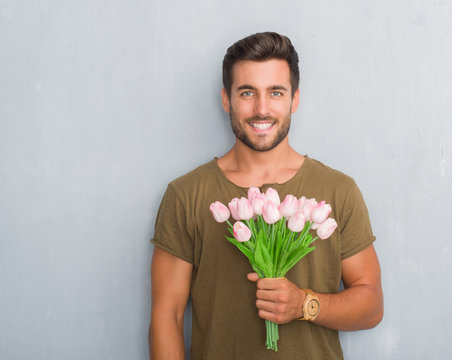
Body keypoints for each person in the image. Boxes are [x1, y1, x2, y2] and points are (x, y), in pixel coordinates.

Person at [149, 32, 383, 360]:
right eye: (247, 92)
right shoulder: (186, 195)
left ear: (294, 99)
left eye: (275, 92)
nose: (262, 109)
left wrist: (304, 304)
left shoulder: (338, 191)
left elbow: (371, 306)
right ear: (226, 99)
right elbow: (167, 316)